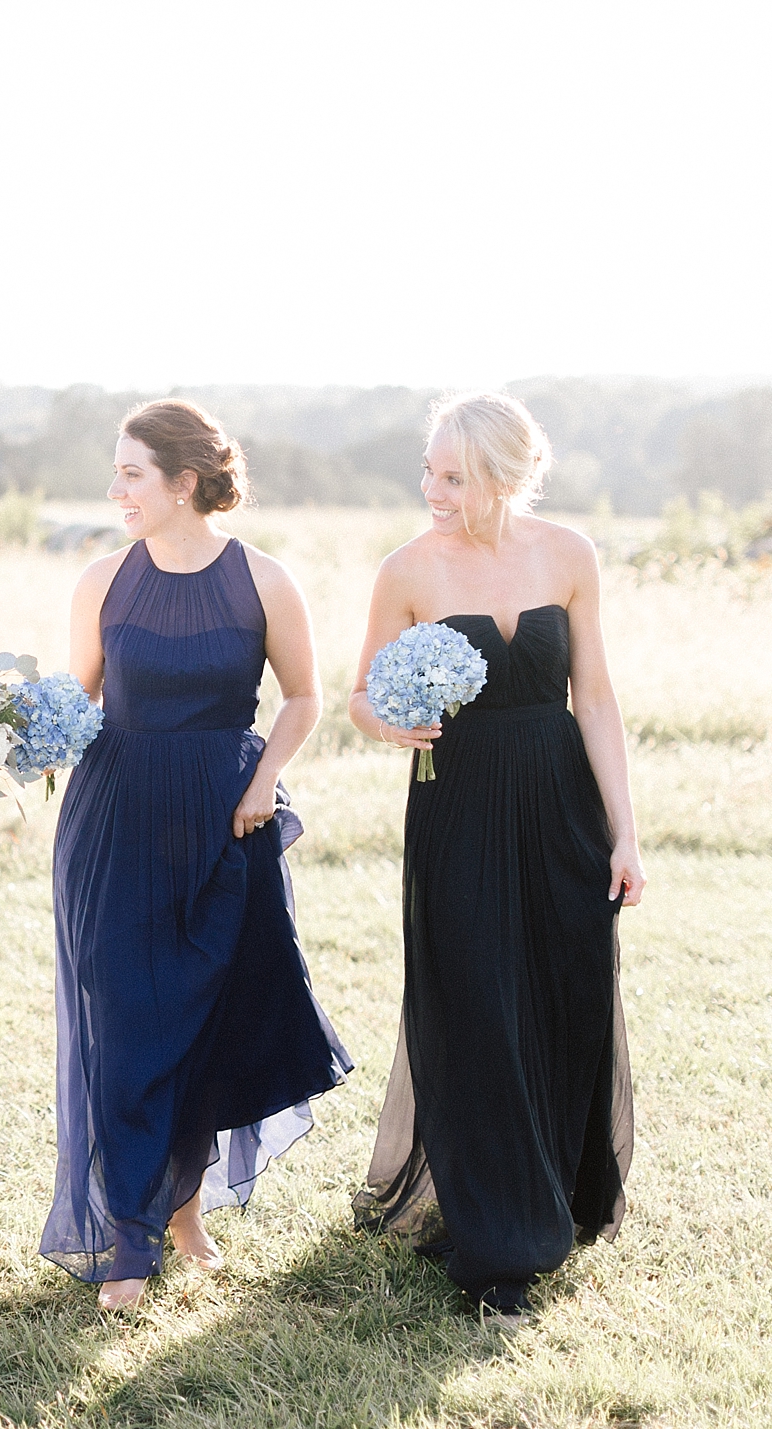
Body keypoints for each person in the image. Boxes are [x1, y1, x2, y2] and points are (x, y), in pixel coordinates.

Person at [41, 398, 353, 1312]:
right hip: (116, 817)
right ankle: (129, 1240)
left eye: (132, 472)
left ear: (185, 483)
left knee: (203, 1017)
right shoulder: (104, 579)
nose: (116, 488)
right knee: (128, 1016)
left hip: (227, 818)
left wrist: (266, 783)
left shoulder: (263, 579)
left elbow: (304, 698)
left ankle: (181, 1216)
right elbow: (77, 698)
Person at [350, 392, 640, 1320]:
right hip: (457, 804)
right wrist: (391, 722)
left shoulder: (569, 555)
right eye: (428, 470)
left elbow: (593, 698)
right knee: (476, 1000)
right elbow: (360, 695)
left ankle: (557, 1184)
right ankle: (501, 1243)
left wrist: (625, 830)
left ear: (505, 476)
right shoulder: (406, 570)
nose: (431, 489)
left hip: (562, 803)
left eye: (452, 476)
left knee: (564, 986)